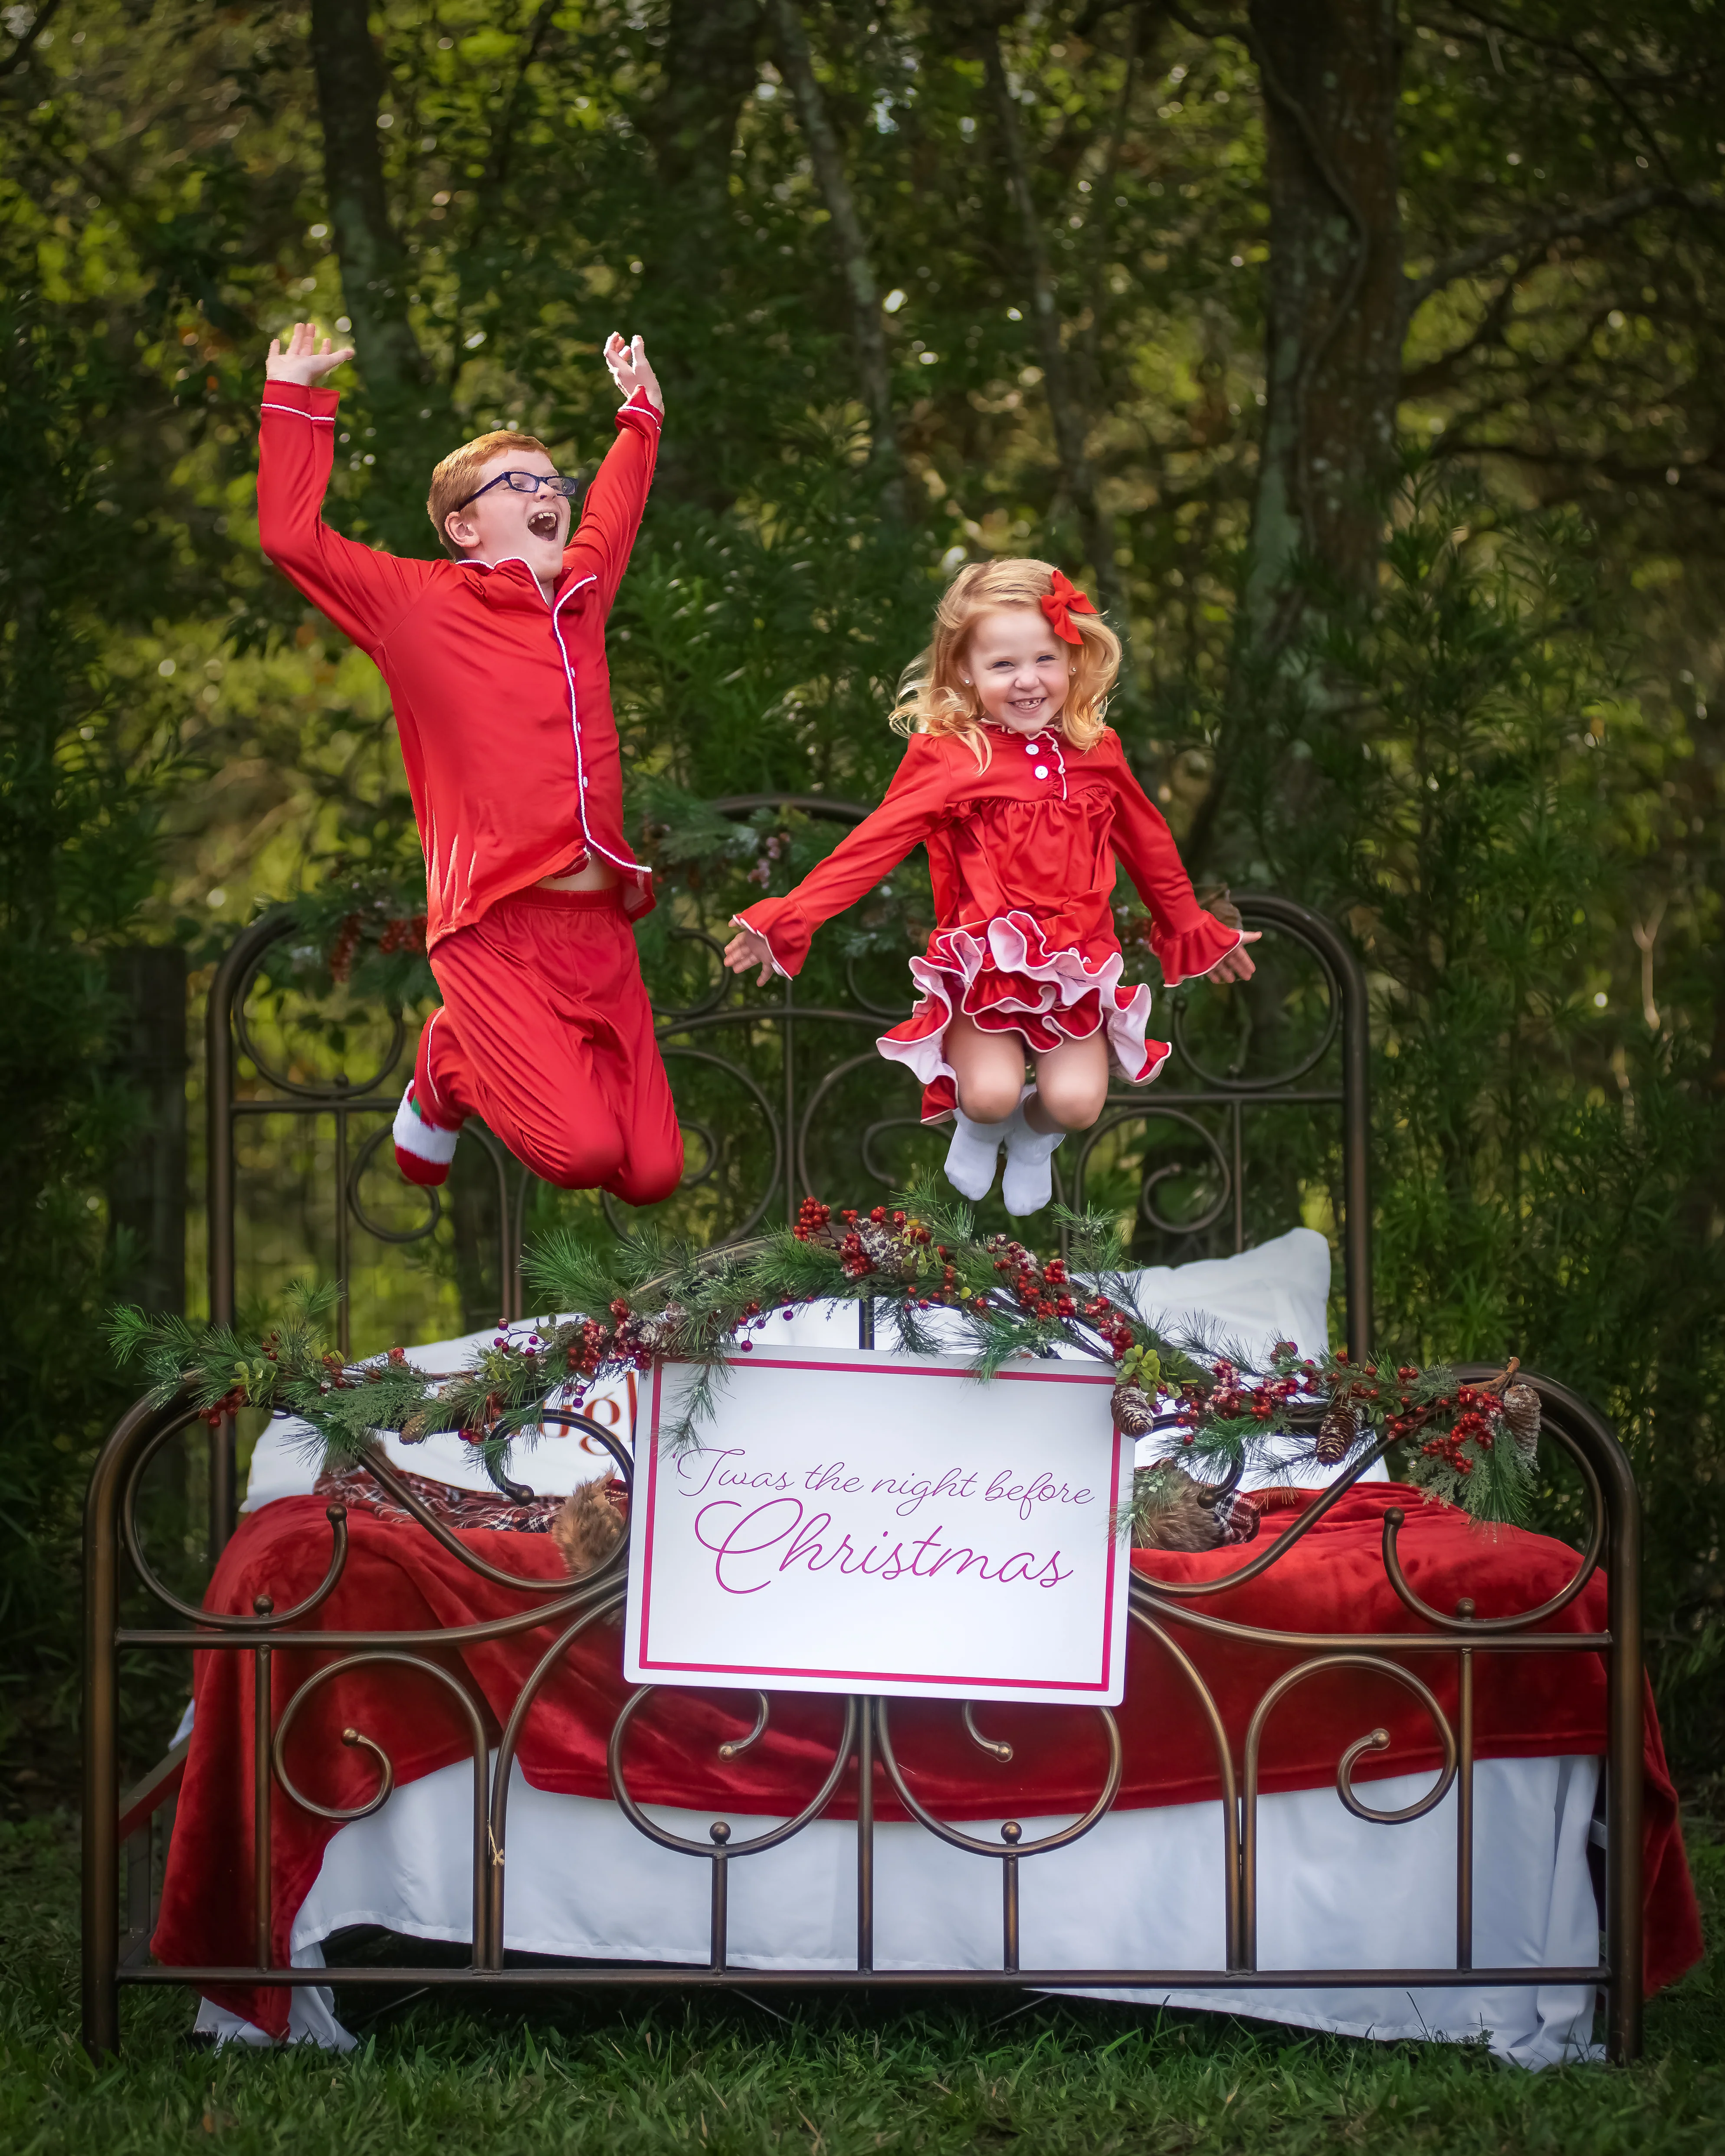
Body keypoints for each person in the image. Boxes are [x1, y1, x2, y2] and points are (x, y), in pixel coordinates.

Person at [257, 321, 682, 1206]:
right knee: (579, 1155)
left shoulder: (580, 594)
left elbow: (616, 503)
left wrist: (641, 413)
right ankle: (448, 1061)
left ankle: (461, 1057)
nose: (548, 493)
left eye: (549, 480)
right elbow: (294, 539)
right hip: (494, 928)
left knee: (650, 1174)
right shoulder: (416, 605)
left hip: (598, 928)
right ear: (462, 524)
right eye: (516, 482)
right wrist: (292, 396)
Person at [722, 558, 1258, 1214]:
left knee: (1075, 1102)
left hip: (1074, 965)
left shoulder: (1098, 750)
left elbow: (1152, 849)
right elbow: (873, 845)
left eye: (1045, 659)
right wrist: (789, 917)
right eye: (1004, 665)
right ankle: (982, 1125)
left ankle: (1032, 1142)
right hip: (984, 968)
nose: (1029, 681)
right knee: (991, 1092)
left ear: (1073, 659)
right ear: (965, 673)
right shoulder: (954, 756)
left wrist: (1195, 930)